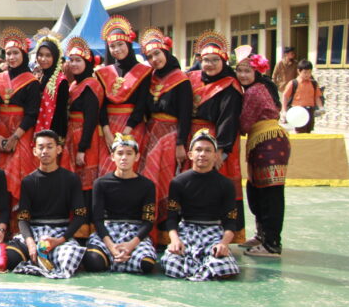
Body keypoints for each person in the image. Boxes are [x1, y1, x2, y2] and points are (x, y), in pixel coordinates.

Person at [161, 129, 241, 280]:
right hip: (186, 230)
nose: (202, 154)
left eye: (208, 150)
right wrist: (175, 240)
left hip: (214, 232)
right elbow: (171, 218)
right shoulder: (178, 182)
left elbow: (231, 222)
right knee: (172, 265)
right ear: (190, 154)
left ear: (215, 156)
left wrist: (223, 244)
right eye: (198, 150)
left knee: (224, 268)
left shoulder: (226, 184)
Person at [136, 27, 192, 244]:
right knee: (149, 180)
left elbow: (185, 115)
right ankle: (149, 232)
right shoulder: (150, 79)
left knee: (167, 182)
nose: (154, 60)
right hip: (151, 135)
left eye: (157, 54)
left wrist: (181, 143)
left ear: (166, 52)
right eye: (149, 56)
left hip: (170, 136)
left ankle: (167, 233)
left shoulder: (181, 79)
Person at [7, 130, 88, 278]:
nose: (45, 151)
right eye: (41, 147)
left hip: (60, 233)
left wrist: (60, 240)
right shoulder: (28, 181)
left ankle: (40, 262)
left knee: (69, 259)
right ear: (35, 151)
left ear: (59, 149)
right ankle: (40, 260)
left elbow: (80, 215)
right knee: (10, 257)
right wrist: (30, 243)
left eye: (50, 147)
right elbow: (23, 218)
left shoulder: (71, 179)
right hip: (34, 232)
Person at [187, 31, 244, 236]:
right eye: (205, 60)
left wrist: (221, 150)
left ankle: (221, 233)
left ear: (223, 61)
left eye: (214, 60)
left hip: (216, 140)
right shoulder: (192, 78)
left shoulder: (230, 85)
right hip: (192, 138)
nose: (209, 64)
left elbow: (229, 119)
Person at [235, 47, 290, 258]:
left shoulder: (253, 91)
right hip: (263, 142)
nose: (243, 75)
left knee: (270, 194)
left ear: (256, 72)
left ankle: (272, 243)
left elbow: (244, 124)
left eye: (247, 71)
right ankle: (262, 235)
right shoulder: (260, 88)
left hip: (268, 141)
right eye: (239, 70)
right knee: (257, 190)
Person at [0, 27, 40, 224]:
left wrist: (15, 137)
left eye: (15, 53)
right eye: (8, 53)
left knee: (19, 174)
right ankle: (3, 222)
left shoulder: (32, 82)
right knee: (0, 177)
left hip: (21, 133)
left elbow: (32, 113)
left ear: (23, 54)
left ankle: (19, 225)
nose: (11, 57)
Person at [83, 134, 157, 275]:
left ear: (136, 157)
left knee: (146, 264)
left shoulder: (147, 185)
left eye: (129, 154)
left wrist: (130, 245)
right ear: (112, 156)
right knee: (93, 261)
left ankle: (122, 257)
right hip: (108, 231)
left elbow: (148, 221)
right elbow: (97, 220)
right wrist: (111, 247)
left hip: (135, 233)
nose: (124, 158)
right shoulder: (101, 183)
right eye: (120, 153)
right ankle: (118, 258)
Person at [96, 15, 150, 169]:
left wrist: (127, 131)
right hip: (109, 127)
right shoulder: (103, 73)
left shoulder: (144, 71)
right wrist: (107, 131)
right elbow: (101, 105)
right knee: (108, 168)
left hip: (133, 127)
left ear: (128, 43)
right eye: (112, 46)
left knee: (132, 168)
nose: (117, 49)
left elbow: (141, 105)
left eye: (120, 44)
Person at [60, 38, 104, 219]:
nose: (74, 64)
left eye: (78, 60)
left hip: (86, 138)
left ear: (87, 62)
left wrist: (82, 148)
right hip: (73, 135)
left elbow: (91, 119)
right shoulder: (74, 85)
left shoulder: (91, 85)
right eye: (71, 60)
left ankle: (86, 223)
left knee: (86, 182)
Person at [32, 30, 68, 139]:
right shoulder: (40, 77)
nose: (43, 59)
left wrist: (56, 138)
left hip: (53, 134)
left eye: (48, 55)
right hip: (38, 131)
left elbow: (61, 114)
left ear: (55, 57)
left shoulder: (61, 81)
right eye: (40, 55)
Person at [282, 60, 323, 134]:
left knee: (308, 132)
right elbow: (285, 96)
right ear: (299, 71)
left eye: (309, 72)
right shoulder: (293, 83)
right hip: (298, 111)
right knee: (299, 132)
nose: (307, 75)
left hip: (310, 110)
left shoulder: (313, 83)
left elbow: (317, 96)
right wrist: (284, 111)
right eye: (305, 72)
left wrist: (321, 107)